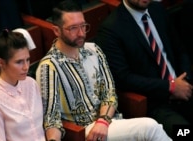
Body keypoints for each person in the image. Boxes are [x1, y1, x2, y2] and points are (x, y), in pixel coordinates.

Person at [36, 0, 171, 141]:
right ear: (56, 30)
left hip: (108, 122)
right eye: (73, 28)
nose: (81, 33)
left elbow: (110, 93)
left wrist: (103, 121)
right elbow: (51, 118)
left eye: (83, 26)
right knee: (150, 127)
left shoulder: (94, 50)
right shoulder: (49, 66)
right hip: (83, 131)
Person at [95, 0, 193, 138]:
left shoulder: (157, 9)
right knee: (185, 134)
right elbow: (123, 78)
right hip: (155, 104)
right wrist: (169, 87)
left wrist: (185, 79)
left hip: (184, 88)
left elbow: (180, 49)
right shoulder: (111, 29)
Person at [0, 29, 45, 141]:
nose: (26, 67)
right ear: (1, 63)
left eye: (28, 60)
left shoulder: (31, 84)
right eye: (19, 62)